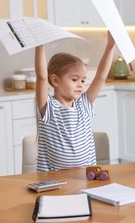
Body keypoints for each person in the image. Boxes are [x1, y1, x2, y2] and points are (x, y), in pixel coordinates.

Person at [35, 31, 115, 172]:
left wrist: (110, 45)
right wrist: (39, 44)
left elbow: (101, 77)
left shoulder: (83, 104)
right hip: (53, 181)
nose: (80, 84)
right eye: (74, 79)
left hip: (86, 178)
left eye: (83, 80)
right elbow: (41, 77)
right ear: (55, 80)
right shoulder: (48, 108)